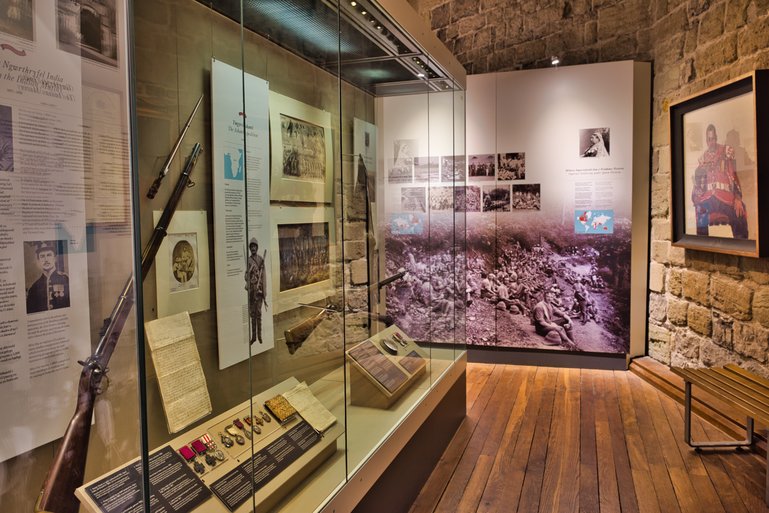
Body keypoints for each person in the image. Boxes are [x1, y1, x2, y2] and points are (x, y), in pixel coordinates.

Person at [691, 124, 748, 239]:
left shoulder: (725, 151)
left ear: (716, 137)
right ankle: (703, 247)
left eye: (713, 139)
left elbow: (733, 175)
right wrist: (697, 195)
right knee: (700, 212)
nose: (711, 142)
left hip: (725, 198)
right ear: (706, 141)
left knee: (740, 213)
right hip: (709, 199)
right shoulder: (703, 158)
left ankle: (742, 247)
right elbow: (699, 184)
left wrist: (737, 198)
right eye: (709, 139)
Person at [26, 241, 69, 314]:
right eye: (42, 256)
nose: (46, 260)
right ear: (39, 260)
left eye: (49, 255)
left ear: (55, 258)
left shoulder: (65, 279)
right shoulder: (34, 288)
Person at [244, 238, 267, 343]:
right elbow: (245, 277)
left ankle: (260, 336)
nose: (253, 248)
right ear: (250, 248)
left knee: (259, 313)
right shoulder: (248, 260)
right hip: (252, 291)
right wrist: (249, 272)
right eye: (251, 247)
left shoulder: (261, 259)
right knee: (252, 314)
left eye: (254, 246)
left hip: (259, 291)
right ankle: (253, 337)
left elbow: (264, 277)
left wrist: (264, 292)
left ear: (257, 247)